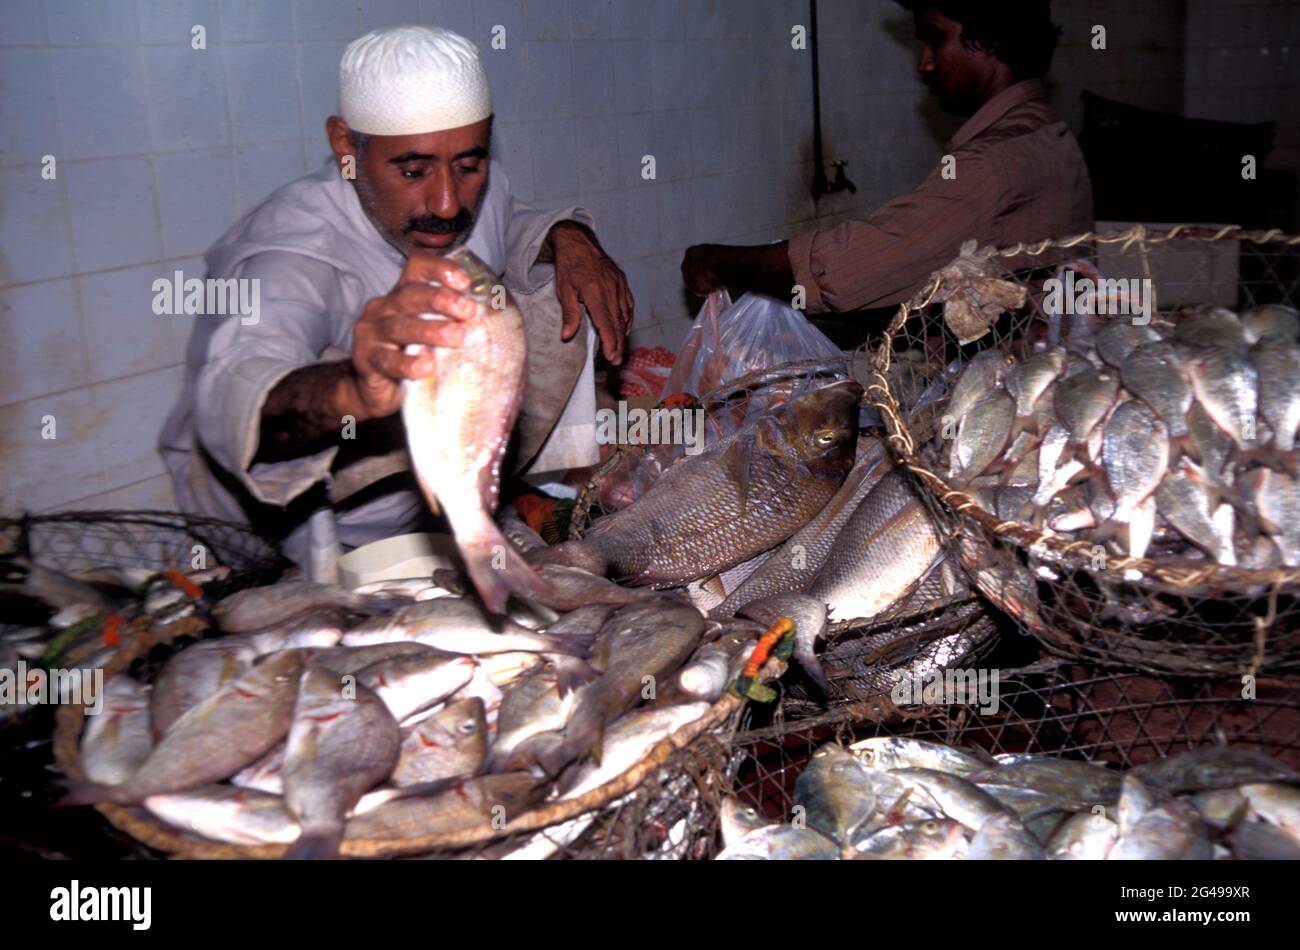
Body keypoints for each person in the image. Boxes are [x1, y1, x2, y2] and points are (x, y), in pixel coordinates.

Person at [159, 25, 633, 578]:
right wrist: (355, 388)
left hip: (443, 491)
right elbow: (232, 397)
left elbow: (509, 221)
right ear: (345, 146)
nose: (448, 202)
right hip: (301, 535)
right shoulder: (292, 256)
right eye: (412, 170)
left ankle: (491, 502)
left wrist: (569, 237)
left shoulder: (477, 189)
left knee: (536, 294)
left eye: (468, 164)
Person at [681, 0, 1093, 314]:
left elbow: (848, 270)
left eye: (934, 38)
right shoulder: (1050, 134)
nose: (923, 63)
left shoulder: (991, 163)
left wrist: (718, 261)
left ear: (988, 41)